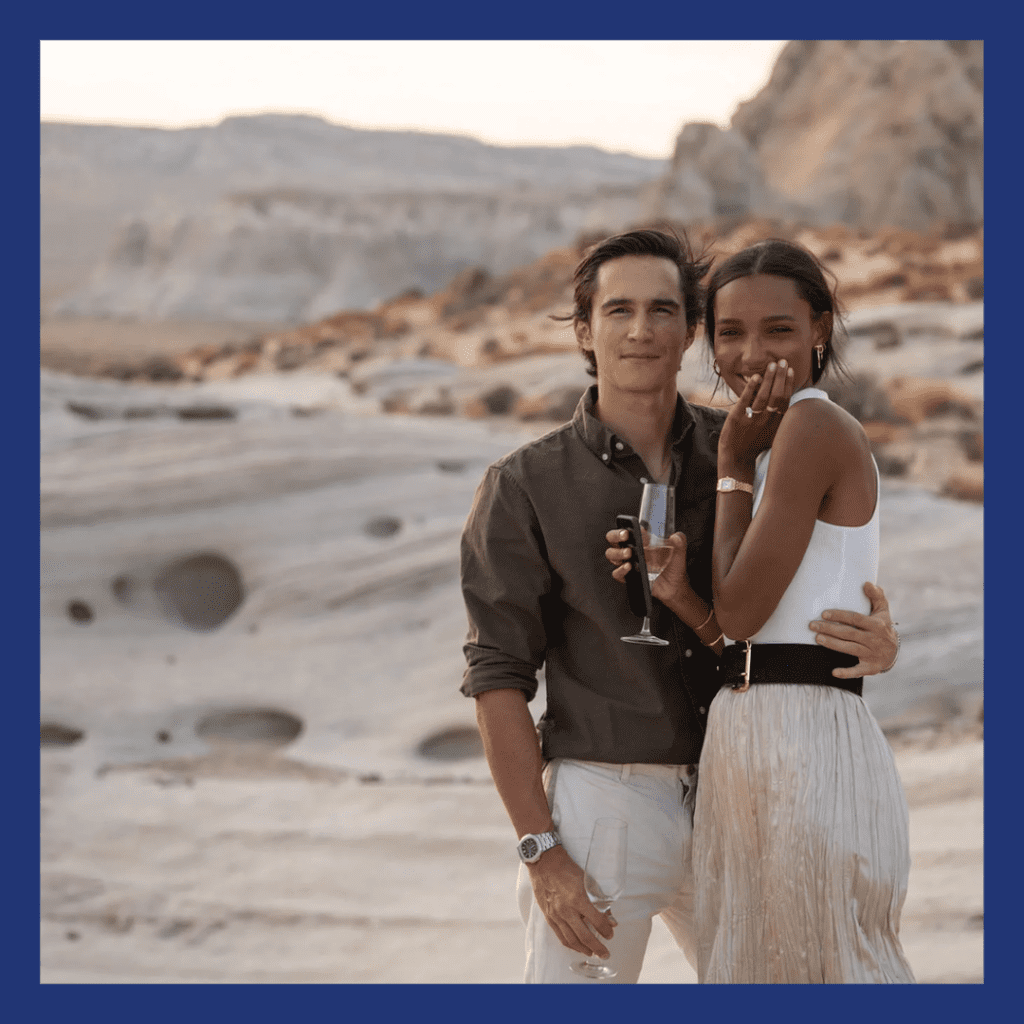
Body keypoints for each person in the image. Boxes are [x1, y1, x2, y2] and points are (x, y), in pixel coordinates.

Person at [459, 229, 900, 984]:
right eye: (619, 309)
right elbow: (498, 676)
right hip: (607, 807)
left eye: (664, 310)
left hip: (745, 794)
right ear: (585, 329)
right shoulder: (525, 484)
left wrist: (879, 639)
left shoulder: (748, 446)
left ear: (690, 330)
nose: (642, 330)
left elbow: (809, 579)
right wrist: (541, 849)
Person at [615, 237, 915, 983]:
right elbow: (745, 638)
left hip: (806, 737)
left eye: (778, 329)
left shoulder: (807, 429)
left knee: (832, 964)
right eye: (730, 332)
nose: (750, 353)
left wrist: (731, 467)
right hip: (751, 731)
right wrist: (681, 596)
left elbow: (745, 612)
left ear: (820, 329)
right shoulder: (767, 437)